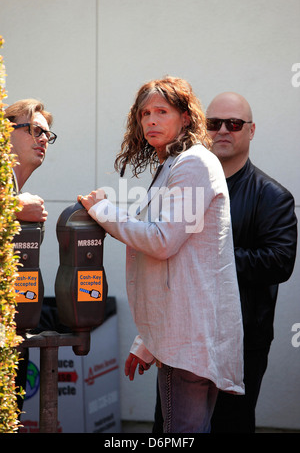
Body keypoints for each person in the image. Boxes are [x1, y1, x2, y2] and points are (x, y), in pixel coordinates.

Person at [78, 76, 244, 433]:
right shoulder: (175, 164)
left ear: (185, 117)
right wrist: (147, 342)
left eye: (161, 111)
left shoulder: (193, 164)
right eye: (144, 114)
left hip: (188, 345)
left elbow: (161, 241)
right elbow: (175, 268)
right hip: (184, 337)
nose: (151, 120)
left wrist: (103, 211)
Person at [204, 92, 297, 433]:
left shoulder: (272, 196)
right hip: (187, 338)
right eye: (214, 124)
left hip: (243, 343)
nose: (223, 131)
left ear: (251, 130)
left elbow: (279, 263)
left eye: (234, 123)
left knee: (230, 426)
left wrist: (210, 257)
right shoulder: (186, 189)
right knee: (171, 428)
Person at [5, 98, 56, 413]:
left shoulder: (14, 188)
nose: (42, 140)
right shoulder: (10, 195)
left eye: (47, 135)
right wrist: (13, 208)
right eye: (35, 130)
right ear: (5, 133)